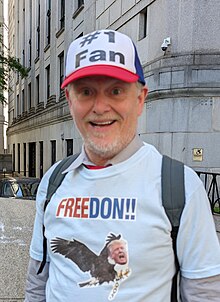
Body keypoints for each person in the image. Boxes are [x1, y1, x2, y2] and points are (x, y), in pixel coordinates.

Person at [25, 29, 220, 301]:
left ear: (140, 99)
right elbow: (38, 281)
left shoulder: (181, 187)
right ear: (70, 101)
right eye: (86, 92)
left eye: (116, 91)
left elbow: (204, 292)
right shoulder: (54, 181)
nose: (100, 107)